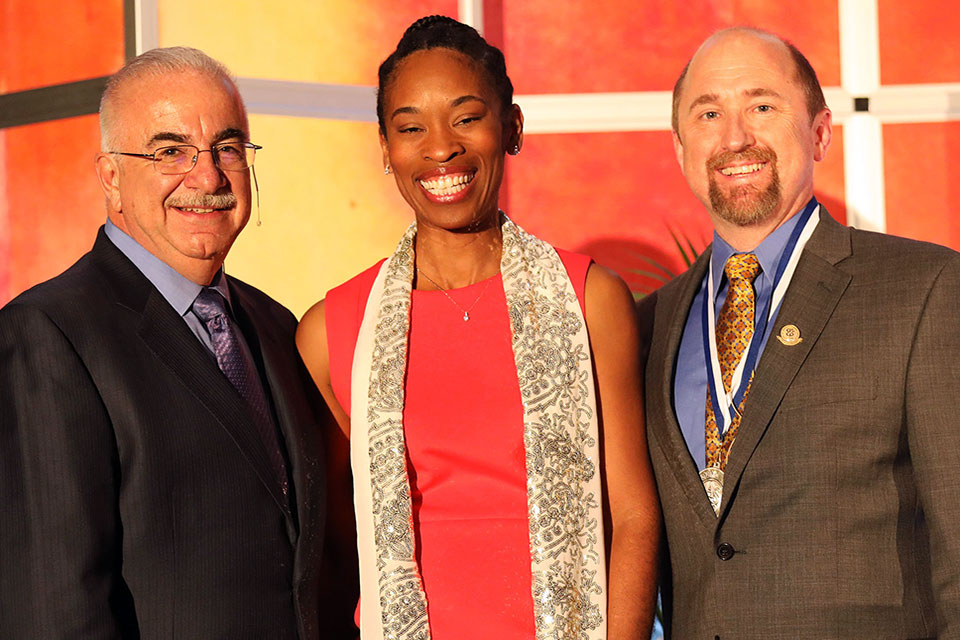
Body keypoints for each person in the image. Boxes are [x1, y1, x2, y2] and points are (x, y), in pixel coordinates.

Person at [296, 15, 659, 640]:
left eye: (466, 118)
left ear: (511, 127)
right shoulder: (333, 332)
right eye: (411, 128)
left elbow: (631, 516)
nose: (441, 148)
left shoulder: (591, 300)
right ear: (385, 148)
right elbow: (333, 549)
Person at [0, 47, 334, 638]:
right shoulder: (49, 335)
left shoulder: (279, 327)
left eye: (227, 148)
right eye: (170, 151)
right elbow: (55, 606)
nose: (207, 177)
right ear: (110, 176)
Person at [638, 27, 960, 639]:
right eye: (709, 112)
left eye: (762, 105)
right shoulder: (649, 325)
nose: (735, 137)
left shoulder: (925, 288)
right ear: (680, 147)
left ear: (820, 132)